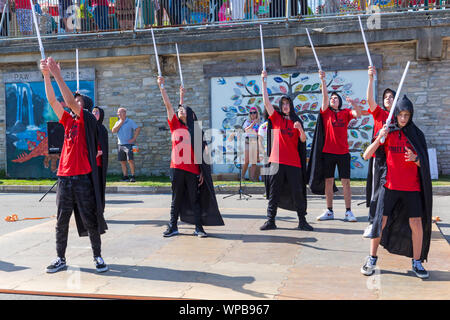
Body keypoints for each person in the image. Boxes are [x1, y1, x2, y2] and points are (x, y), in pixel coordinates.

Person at [40, 57, 108, 274]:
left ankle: (97, 256)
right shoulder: (68, 121)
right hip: (64, 177)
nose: (73, 102)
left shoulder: (87, 120)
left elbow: (68, 102)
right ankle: (60, 258)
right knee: (61, 221)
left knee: (90, 219)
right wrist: (46, 76)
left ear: (84, 107)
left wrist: (58, 74)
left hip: (82, 177)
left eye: (78, 100)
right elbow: (53, 101)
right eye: (74, 99)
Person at [360, 95, 432, 279]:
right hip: (390, 186)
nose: (403, 118)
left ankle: (417, 262)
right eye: (400, 114)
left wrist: (416, 159)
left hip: (412, 188)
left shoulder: (416, 135)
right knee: (380, 222)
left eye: (407, 115)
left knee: (416, 223)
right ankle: (372, 258)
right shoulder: (388, 131)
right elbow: (366, 155)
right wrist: (379, 138)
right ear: (396, 115)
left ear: (411, 115)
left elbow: (425, 164)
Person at [157, 76, 224, 238]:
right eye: (179, 109)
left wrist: (202, 171)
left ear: (190, 113)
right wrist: (162, 87)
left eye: (183, 109)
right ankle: (173, 226)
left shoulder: (196, 130)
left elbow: (203, 152)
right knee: (176, 198)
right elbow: (168, 105)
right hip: (177, 168)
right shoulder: (175, 124)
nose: (180, 110)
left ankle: (199, 228)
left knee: (195, 199)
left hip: (193, 170)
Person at [260, 69, 313, 232]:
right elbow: (267, 103)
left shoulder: (297, 121)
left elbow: (303, 141)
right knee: (274, 192)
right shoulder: (276, 119)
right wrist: (264, 81)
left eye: (287, 104)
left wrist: (301, 130)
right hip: (276, 161)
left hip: (294, 163)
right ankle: (271, 220)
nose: (284, 106)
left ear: (291, 105)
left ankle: (302, 221)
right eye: (282, 104)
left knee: (297, 192)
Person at [312, 70, 361, 222]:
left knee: (345, 182)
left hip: (343, 153)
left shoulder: (345, 112)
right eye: (331, 98)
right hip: (328, 152)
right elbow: (325, 97)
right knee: (329, 181)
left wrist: (354, 104)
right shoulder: (326, 112)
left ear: (340, 101)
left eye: (335, 98)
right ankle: (329, 210)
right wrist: (323, 81)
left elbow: (358, 114)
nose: (333, 100)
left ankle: (348, 211)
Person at [364, 65, 397, 237]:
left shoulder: (400, 117)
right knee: (376, 190)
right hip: (379, 156)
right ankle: (372, 223)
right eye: (386, 97)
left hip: (394, 158)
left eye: (391, 97)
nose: (388, 99)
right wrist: (370, 78)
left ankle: (390, 223)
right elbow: (369, 100)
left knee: (392, 190)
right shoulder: (379, 114)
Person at [111, 108, 141, 182]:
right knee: (122, 161)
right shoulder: (117, 122)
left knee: (130, 160)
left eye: (120, 113)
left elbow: (137, 129)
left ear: (125, 113)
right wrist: (121, 122)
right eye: (118, 113)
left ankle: (133, 176)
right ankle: (125, 176)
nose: (118, 114)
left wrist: (134, 138)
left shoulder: (130, 121)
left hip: (129, 144)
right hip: (120, 144)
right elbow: (113, 130)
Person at [93, 106, 108, 211]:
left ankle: (99, 210)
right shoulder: (88, 127)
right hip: (89, 164)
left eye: (96, 112)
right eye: (93, 112)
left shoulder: (102, 129)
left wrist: (99, 152)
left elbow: (105, 148)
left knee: (98, 188)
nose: (94, 114)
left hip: (98, 164)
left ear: (101, 115)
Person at [241, 106, 261, 181]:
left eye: (254, 112)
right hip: (247, 142)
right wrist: (252, 124)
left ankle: (252, 178)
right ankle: (242, 177)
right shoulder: (247, 122)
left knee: (254, 161)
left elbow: (260, 132)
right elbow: (246, 130)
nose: (253, 114)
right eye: (251, 113)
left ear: (256, 113)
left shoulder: (259, 122)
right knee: (246, 161)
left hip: (255, 142)